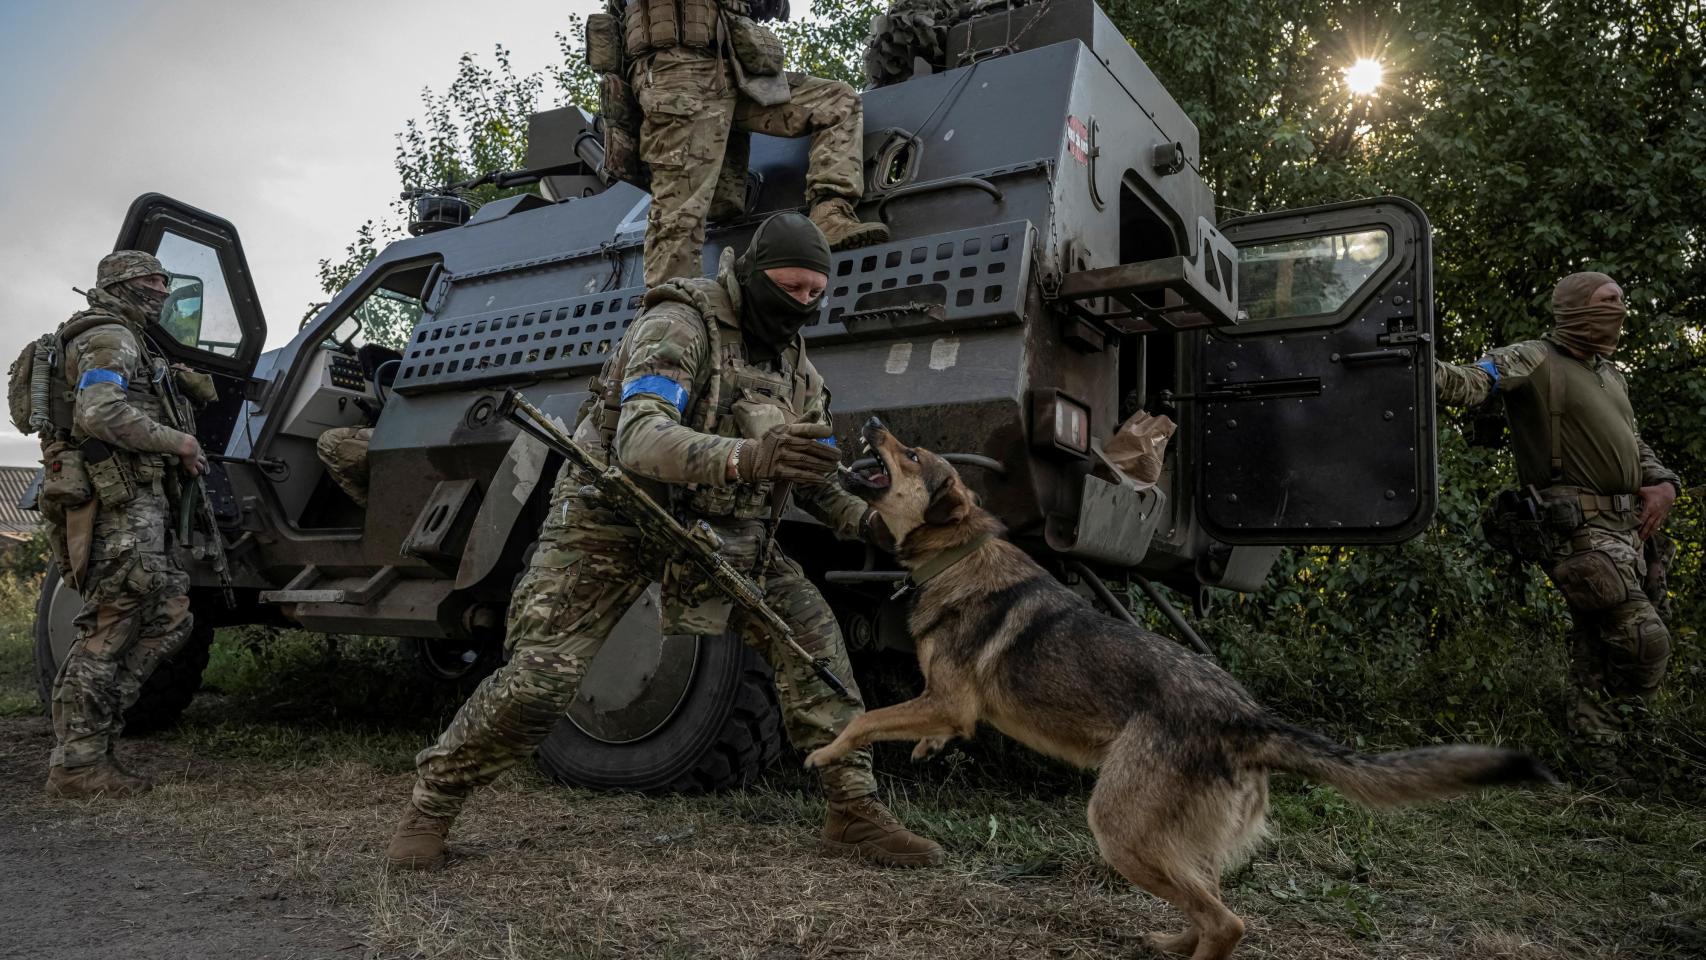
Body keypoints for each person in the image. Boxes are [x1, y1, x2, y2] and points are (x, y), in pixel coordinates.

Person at [387, 213, 942, 870]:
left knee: (815, 649)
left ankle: (853, 812)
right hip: (611, 517)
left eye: (813, 295)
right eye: (789, 289)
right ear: (753, 275)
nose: (801, 307)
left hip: (717, 530)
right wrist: (750, 457)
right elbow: (640, 440)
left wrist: (873, 523)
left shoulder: (797, 373)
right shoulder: (679, 326)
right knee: (541, 682)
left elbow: (815, 479)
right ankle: (432, 804)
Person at [1435, 271, 1680, 779]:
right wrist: (1414, 366)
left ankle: (1598, 753)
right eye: (1605, 300)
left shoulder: (1612, 374)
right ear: (1572, 308)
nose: (1618, 308)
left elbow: (1637, 448)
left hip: (1631, 529)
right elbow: (1473, 381)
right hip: (1577, 528)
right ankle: (1606, 738)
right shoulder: (1535, 357)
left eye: (1620, 300)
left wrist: (1663, 484)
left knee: (1601, 641)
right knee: (1643, 639)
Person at [42, 250, 214, 798]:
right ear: (124, 284)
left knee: (169, 615)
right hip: (118, 503)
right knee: (113, 622)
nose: (163, 290)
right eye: (152, 280)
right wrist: (179, 441)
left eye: (164, 279)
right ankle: (77, 763)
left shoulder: (134, 340)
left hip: (137, 500)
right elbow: (99, 411)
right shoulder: (110, 336)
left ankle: (95, 736)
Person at [620, 0, 890, 287]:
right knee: (679, 213)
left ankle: (829, 214)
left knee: (836, 101)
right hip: (677, 74)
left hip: (732, 68)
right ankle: (671, 306)